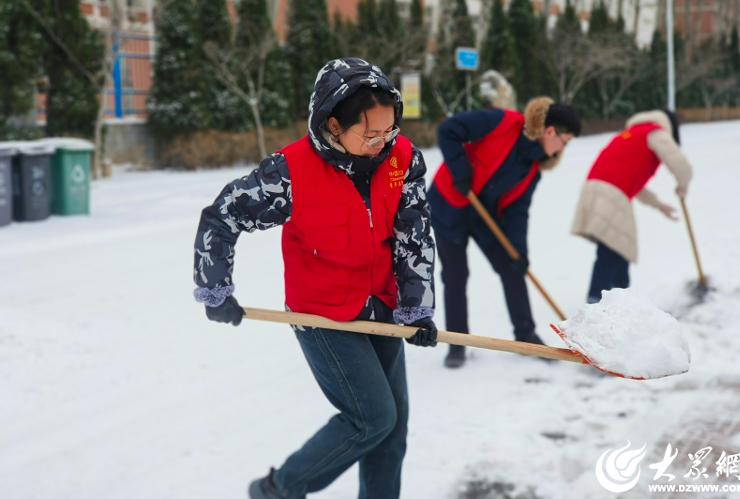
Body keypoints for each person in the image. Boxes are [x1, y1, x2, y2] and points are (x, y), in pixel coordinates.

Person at [192, 58, 437, 499]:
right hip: (323, 313)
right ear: (332, 126)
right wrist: (216, 288)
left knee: (393, 429)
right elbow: (222, 217)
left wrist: (417, 307)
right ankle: (279, 489)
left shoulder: (403, 161)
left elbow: (414, 237)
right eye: (370, 134)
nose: (383, 143)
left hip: (380, 303)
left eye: (389, 131)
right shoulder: (289, 172)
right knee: (372, 419)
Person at [427, 87, 582, 369]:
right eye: (565, 141)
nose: (563, 148)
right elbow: (449, 130)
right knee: (456, 274)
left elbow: (517, 214)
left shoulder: (532, 170)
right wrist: (460, 170)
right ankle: (457, 343)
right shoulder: (502, 122)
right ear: (550, 132)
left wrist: (519, 253)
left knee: (512, 268)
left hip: (484, 215)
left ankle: (526, 337)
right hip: (449, 202)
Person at [572, 109, 692, 303]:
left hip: (595, 189)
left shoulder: (630, 134)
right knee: (611, 250)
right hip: (611, 194)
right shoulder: (655, 131)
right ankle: (595, 303)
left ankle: (623, 302)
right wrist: (683, 184)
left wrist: (659, 205)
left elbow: (632, 184)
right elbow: (680, 164)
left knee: (620, 250)